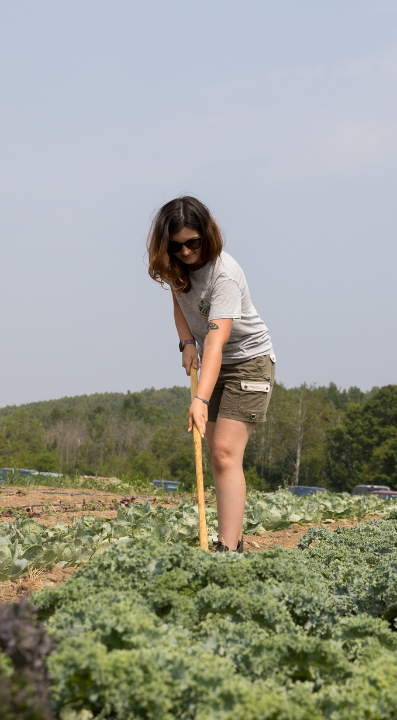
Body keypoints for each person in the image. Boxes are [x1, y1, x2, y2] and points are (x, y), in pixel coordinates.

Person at [147, 196, 275, 553]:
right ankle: (228, 540)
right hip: (214, 362)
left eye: (193, 242)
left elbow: (217, 344)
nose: (186, 252)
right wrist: (186, 340)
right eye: (177, 246)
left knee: (223, 453)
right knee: (219, 456)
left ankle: (229, 549)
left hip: (248, 361)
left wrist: (200, 399)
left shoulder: (226, 274)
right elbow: (179, 301)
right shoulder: (174, 266)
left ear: (207, 234)